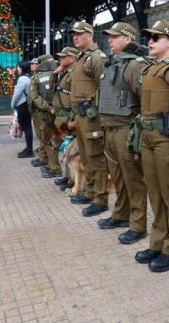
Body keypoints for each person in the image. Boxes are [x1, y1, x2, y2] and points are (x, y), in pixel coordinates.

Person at [131, 20, 169, 272]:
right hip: (150, 139)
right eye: (149, 37)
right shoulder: (151, 69)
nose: (150, 41)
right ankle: (158, 242)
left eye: (156, 37)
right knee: (156, 195)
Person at [97, 22, 151, 244]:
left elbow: (146, 99)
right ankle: (121, 213)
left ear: (127, 39)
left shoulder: (134, 66)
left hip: (125, 129)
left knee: (133, 178)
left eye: (114, 36)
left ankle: (138, 225)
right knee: (118, 177)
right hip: (109, 127)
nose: (109, 40)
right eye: (109, 37)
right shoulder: (112, 63)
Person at [68, 21, 110, 217]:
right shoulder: (80, 57)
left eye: (79, 34)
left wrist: (96, 112)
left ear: (89, 35)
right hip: (80, 116)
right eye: (73, 34)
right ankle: (91, 191)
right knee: (86, 157)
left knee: (95, 158)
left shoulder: (96, 58)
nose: (75, 37)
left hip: (92, 117)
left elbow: (104, 89)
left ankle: (100, 199)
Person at [29, 54, 62, 178]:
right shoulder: (59, 74)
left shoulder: (37, 77)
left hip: (44, 112)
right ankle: (51, 165)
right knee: (53, 138)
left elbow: (34, 96)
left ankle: (54, 168)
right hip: (58, 111)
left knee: (47, 139)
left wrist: (48, 108)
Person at [50, 47, 78, 188]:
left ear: (72, 57)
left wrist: (73, 119)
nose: (60, 59)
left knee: (70, 150)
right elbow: (50, 87)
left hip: (68, 116)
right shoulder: (63, 72)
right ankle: (66, 176)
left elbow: (76, 97)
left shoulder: (74, 74)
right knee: (63, 148)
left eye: (63, 57)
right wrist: (55, 74)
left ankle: (71, 179)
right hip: (60, 116)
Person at [11, 61, 34, 158]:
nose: (17, 69)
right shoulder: (29, 77)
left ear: (23, 68)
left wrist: (12, 104)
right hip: (27, 104)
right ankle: (29, 148)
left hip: (22, 104)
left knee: (27, 127)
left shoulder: (22, 79)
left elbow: (17, 94)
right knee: (27, 127)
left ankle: (29, 151)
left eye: (19, 67)